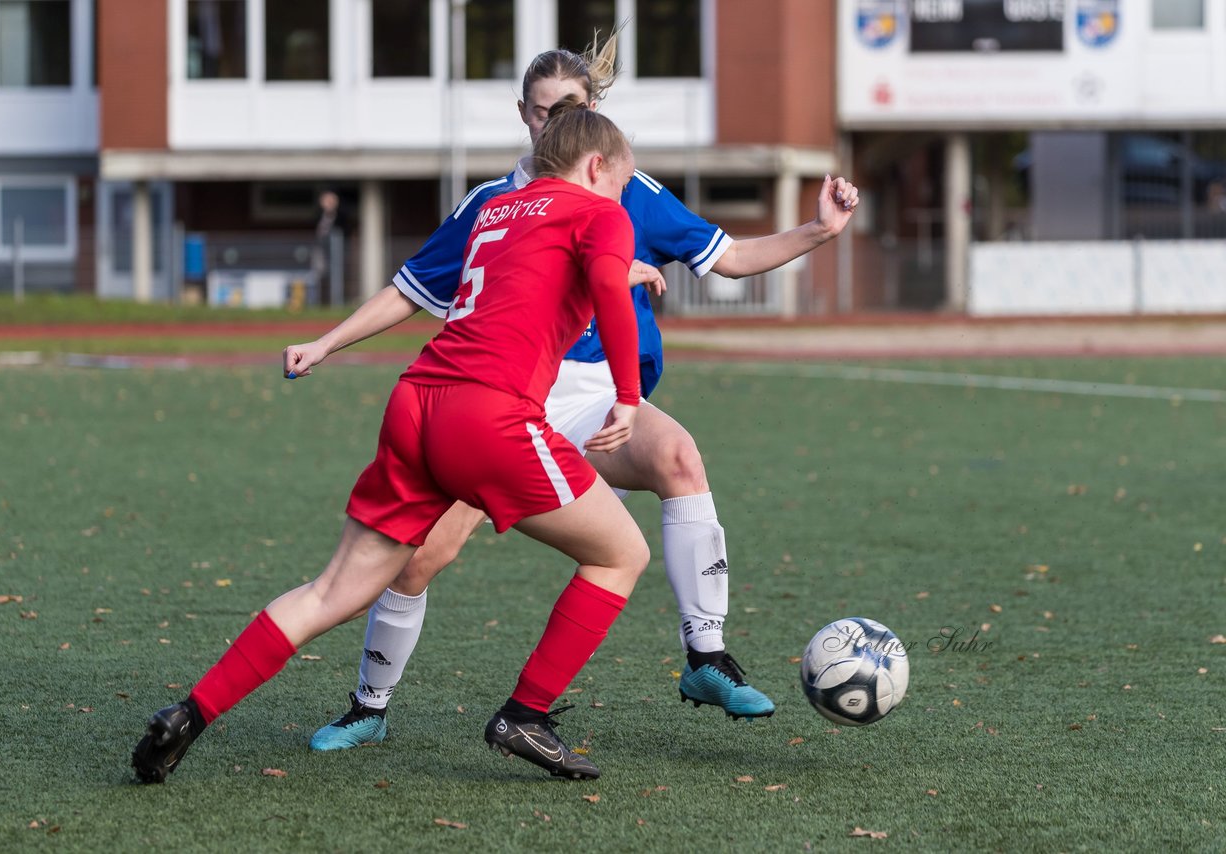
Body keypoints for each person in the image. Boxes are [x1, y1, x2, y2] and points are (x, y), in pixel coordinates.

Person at [297, 34, 861, 751]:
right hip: (502, 400)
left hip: (595, 399)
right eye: (538, 113)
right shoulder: (493, 204)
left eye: (566, 108)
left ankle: (706, 656)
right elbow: (408, 294)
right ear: (523, 117)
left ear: (591, 111)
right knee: (418, 557)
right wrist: (325, 343)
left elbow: (731, 258)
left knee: (679, 457)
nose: (551, 123)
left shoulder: (627, 188)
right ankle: (369, 706)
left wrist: (820, 228)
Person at [132, 100, 647, 783]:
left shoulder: (499, 210)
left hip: (417, 402)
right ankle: (527, 713)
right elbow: (604, 280)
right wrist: (629, 396)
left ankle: (190, 713)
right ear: (598, 165)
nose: (622, 201)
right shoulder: (599, 211)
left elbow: (532, 279)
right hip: (489, 415)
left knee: (330, 591)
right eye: (620, 184)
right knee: (621, 554)